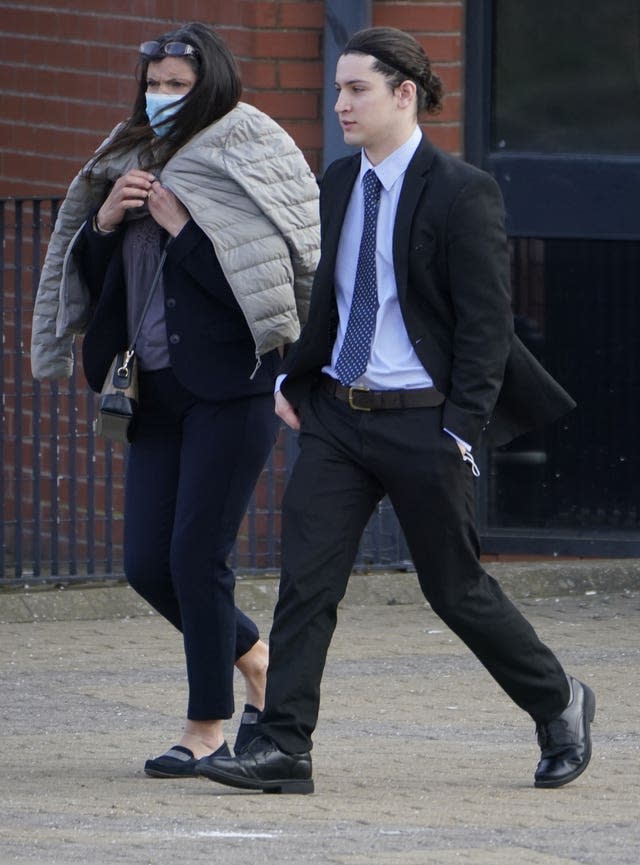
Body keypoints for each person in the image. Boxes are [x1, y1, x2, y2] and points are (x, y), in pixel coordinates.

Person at [195, 27, 595, 794]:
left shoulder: (462, 190)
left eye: (357, 90)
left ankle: (558, 700)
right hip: (339, 418)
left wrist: (459, 432)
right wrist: (294, 382)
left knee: (455, 588)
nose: (340, 103)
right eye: (340, 88)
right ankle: (283, 745)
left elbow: (487, 328)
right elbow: (332, 302)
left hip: (425, 421)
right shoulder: (340, 183)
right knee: (306, 580)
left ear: (404, 93)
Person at [30, 22, 320, 777]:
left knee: (198, 556)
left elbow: (262, 291)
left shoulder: (251, 149)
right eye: (154, 85)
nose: (161, 98)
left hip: (232, 387)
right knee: (146, 565)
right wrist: (103, 220)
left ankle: (205, 725)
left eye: (177, 86)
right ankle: (254, 653)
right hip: (150, 388)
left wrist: (184, 227)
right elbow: (93, 276)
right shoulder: (125, 153)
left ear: (211, 84)